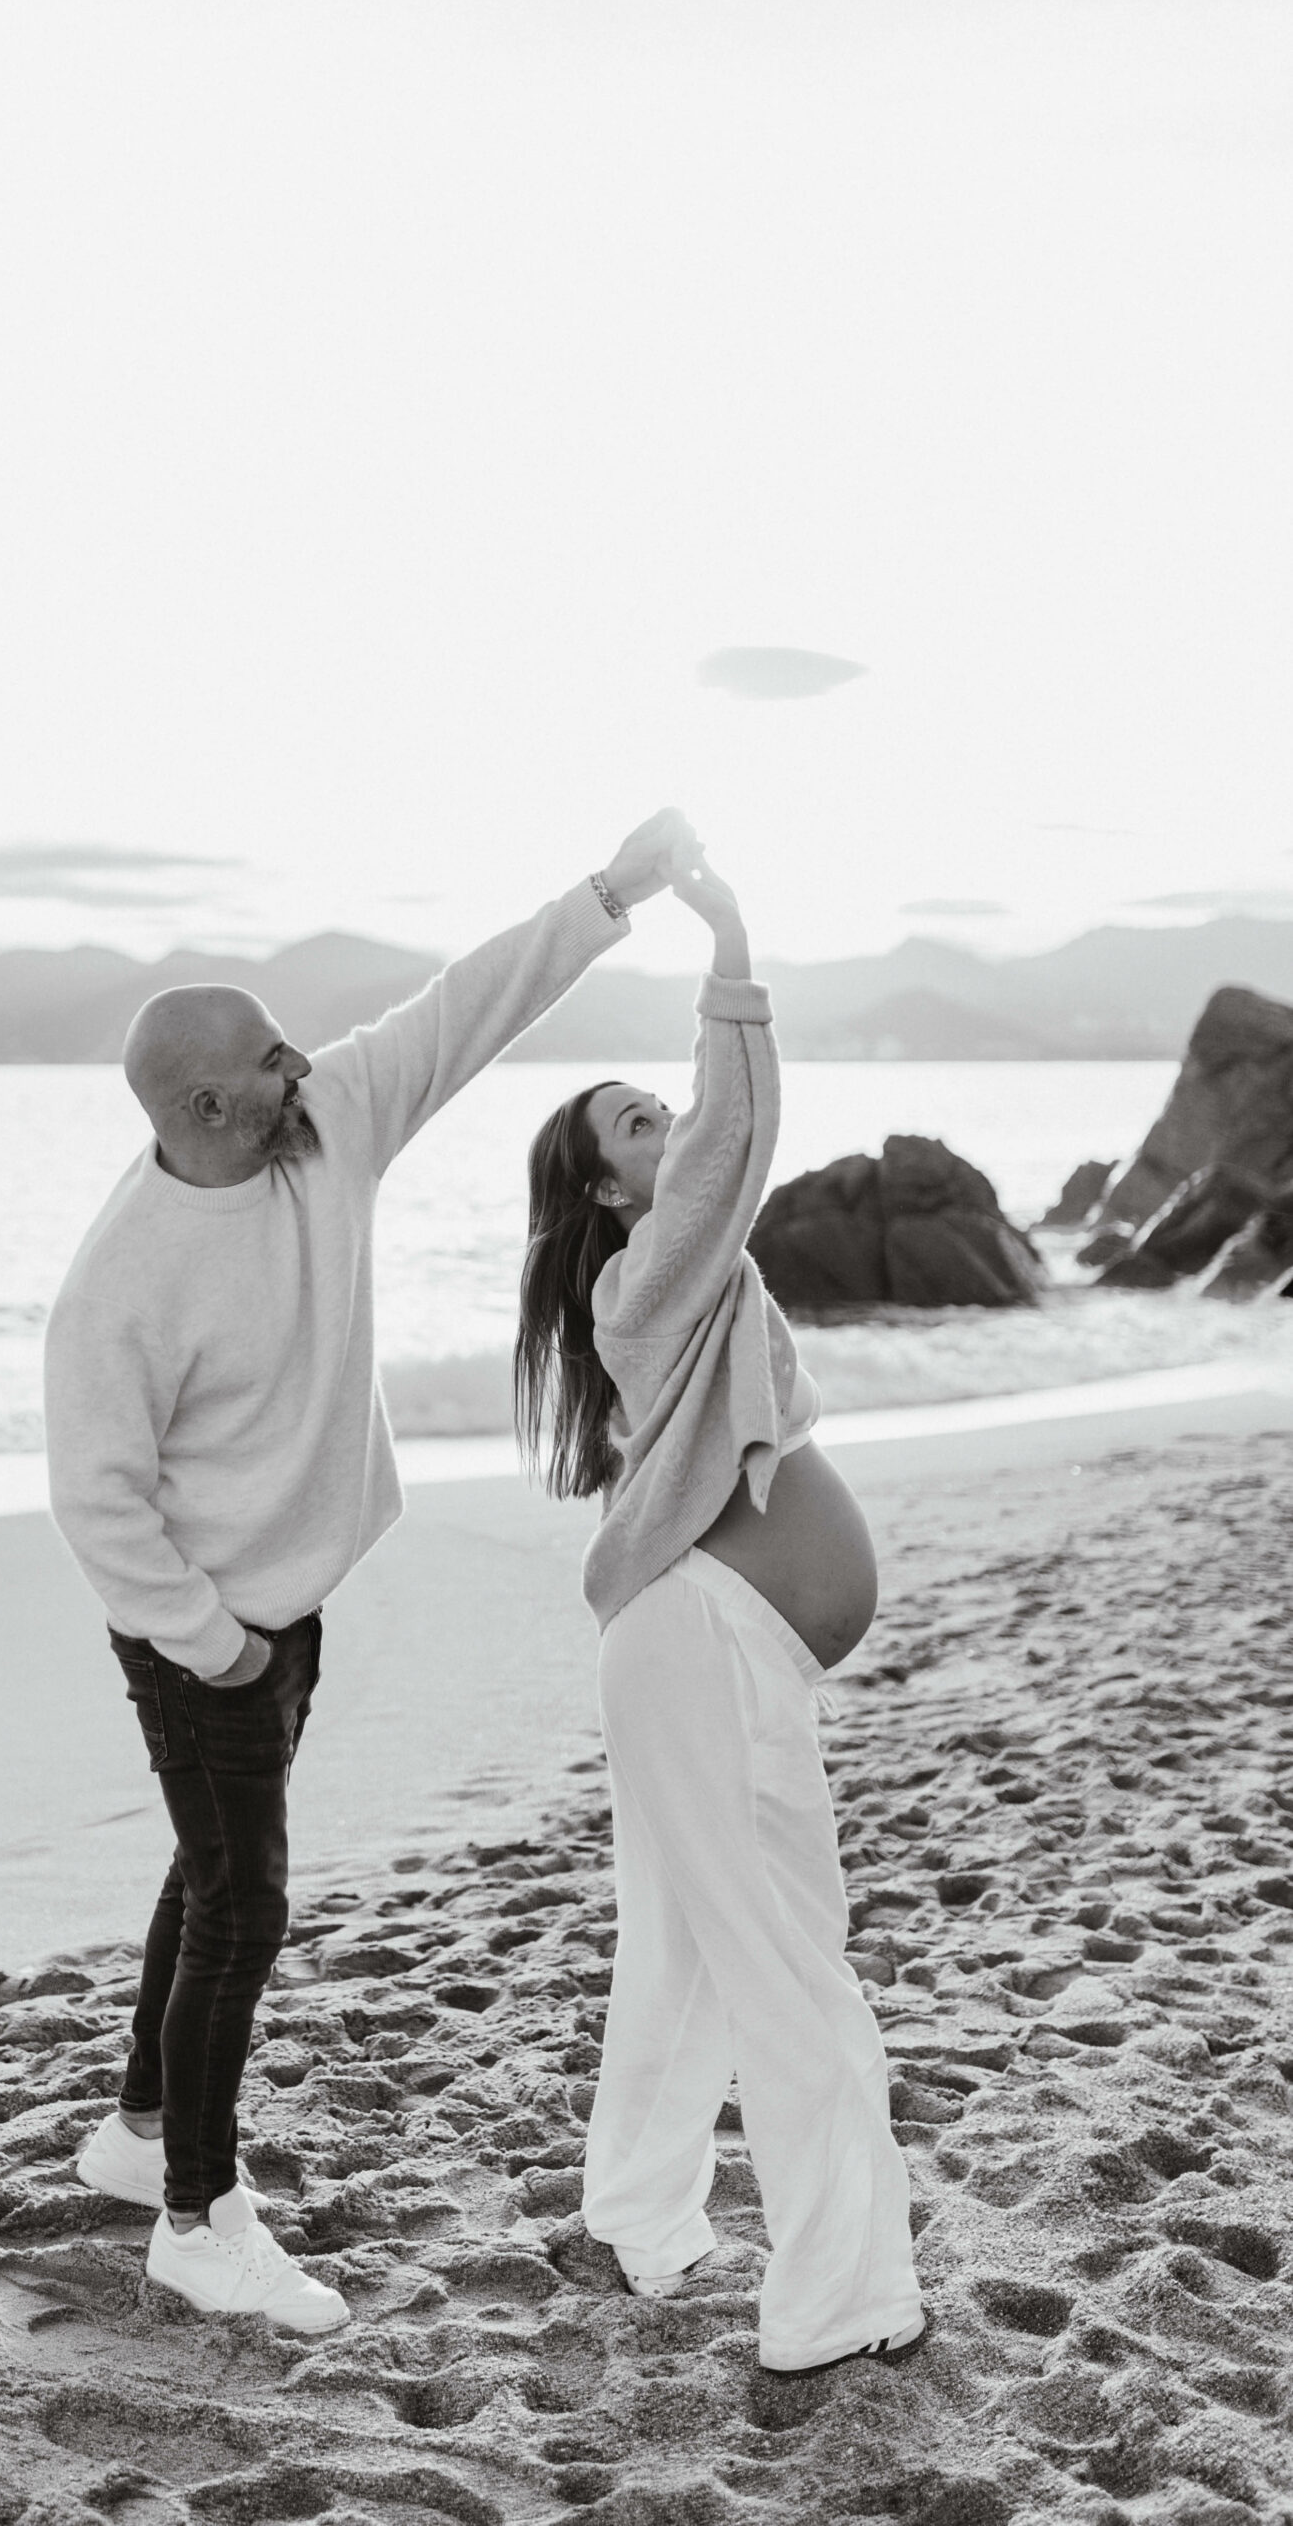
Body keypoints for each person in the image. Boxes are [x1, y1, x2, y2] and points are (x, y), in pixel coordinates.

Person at [43, 807, 697, 2336]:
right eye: (272, 1058)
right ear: (207, 1102)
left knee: (209, 1874)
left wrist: (612, 892)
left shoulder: (325, 1127)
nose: (304, 1063)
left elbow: (466, 1007)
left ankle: (139, 2132)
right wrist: (216, 1647)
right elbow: (99, 1504)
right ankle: (198, 2221)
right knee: (242, 1911)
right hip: (203, 1633)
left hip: (290, 1607)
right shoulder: (121, 1284)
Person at [513, 842, 925, 2377]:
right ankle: (840, 2299)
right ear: (608, 1188)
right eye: (638, 1125)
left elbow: (715, 1145)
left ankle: (637, 2213)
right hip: (697, 1647)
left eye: (659, 1108)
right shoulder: (648, 1272)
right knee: (784, 1959)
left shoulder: (664, 1279)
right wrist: (731, 939)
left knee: (690, 1953)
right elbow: (736, 1130)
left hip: (696, 1649)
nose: (671, 1127)